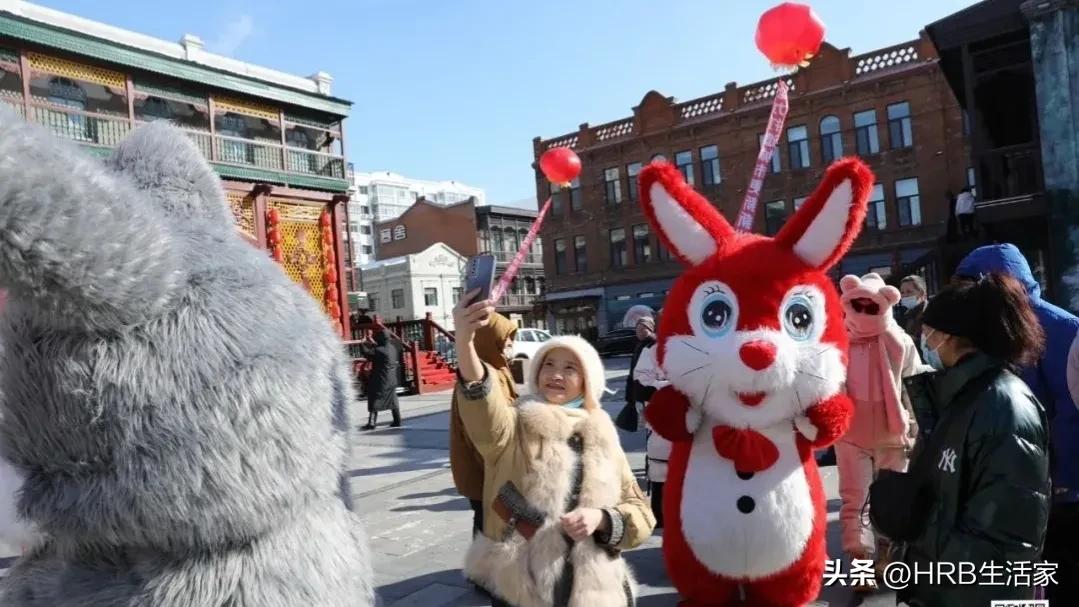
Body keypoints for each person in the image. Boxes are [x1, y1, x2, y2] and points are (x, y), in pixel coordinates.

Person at [453, 290, 655, 607]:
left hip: (593, 590)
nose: (556, 374)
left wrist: (601, 518)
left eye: (570, 368)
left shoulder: (602, 432)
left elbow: (640, 513)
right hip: (522, 588)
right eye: (548, 364)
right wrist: (464, 341)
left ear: (588, 380)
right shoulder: (515, 426)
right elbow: (482, 404)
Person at [898, 273, 1049, 606]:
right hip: (950, 588)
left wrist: (916, 527)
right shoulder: (961, 396)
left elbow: (1006, 536)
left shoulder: (1003, 406)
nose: (926, 343)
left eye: (928, 332)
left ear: (948, 336)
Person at [955, 243, 1079, 601]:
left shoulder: (1063, 330)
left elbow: (1069, 412)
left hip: (1058, 488)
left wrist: (1063, 476)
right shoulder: (996, 329)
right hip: (1030, 484)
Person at [835, 273, 929, 592]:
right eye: (857, 305)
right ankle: (862, 562)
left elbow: (914, 383)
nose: (863, 311)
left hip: (893, 432)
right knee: (856, 498)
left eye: (870, 306)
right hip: (853, 433)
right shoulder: (838, 342)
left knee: (889, 499)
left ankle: (886, 555)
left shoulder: (899, 341)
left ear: (885, 304)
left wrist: (915, 426)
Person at [449, 311, 518, 540]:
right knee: (486, 525)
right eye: (506, 341)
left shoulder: (500, 370)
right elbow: (479, 431)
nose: (510, 346)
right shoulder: (481, 376)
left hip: (494, 470)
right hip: (484, 470)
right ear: (490, 340)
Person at [360, 329, 402, 429]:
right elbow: (379, 349)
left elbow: (367, 353)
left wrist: (362, 343)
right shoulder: (392, 348)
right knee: (393, 400)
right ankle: (397, 420)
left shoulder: (379, 350)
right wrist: (373, 343)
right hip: (391, 379)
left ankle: (372, 423)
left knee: (375, 399)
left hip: (380, 379)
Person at [897, 274, 928, 343]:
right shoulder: (907, 313)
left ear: (921, 293)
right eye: (902, 292)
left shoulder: (928, 313)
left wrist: (910, 339)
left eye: (909, 291)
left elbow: (931, 343)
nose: (905, 295)